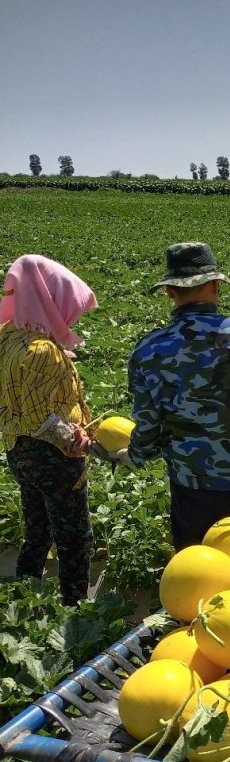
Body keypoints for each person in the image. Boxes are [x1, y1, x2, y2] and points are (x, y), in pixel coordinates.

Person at [98, 242, 230, 550]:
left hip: (193, 486)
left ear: (169, 293)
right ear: (216, 286)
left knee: (197, 571)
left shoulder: (148, 350)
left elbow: (148, 426)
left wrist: (134, 455)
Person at [0, 255, 96, 605]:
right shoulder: (43, 351)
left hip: (18, 450)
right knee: (74, 536)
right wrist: (77, 440)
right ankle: (75, 606)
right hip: (51, 456)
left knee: (38, 528)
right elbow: (43, 419)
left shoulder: (8, 335)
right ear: (52, 301)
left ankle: (23, 597)